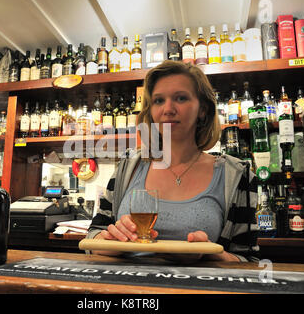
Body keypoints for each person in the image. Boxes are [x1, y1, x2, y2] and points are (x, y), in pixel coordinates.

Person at [86, 60, 259, 262]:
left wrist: (211, 254)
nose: (168, 109)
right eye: (159, 100)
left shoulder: (236, 174)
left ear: (203, 109)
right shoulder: (128, 165)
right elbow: (93, 236)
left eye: (181, 98)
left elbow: (250, 262)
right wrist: (112, 240)